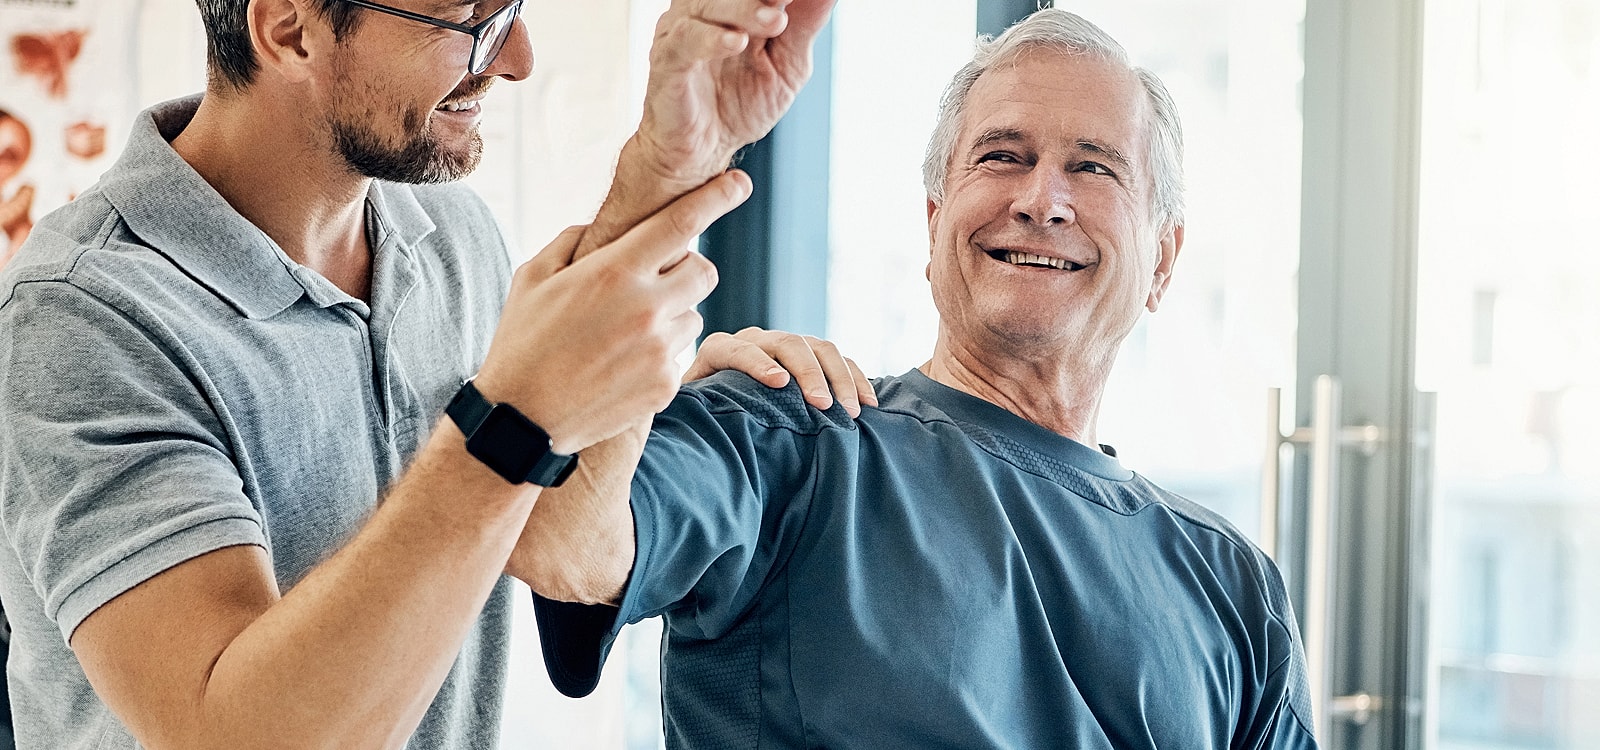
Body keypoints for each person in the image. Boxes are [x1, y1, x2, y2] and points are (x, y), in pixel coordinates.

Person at [0, 0, 861, 748]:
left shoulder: (446, 233)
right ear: (291, 29)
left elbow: (555, 535)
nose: (517, 60)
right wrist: (519, 412)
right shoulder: (79, 321)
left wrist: (673, 165)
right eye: (465, 22)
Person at [522, 8, 1320, 748]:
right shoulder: (786, 433)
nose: (1043, 200)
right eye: (1003, 156)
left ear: (1164, 261)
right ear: (935, 224)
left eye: (1095, 168)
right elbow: (561, 541)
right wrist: (667, 169)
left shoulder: (1235, 589)